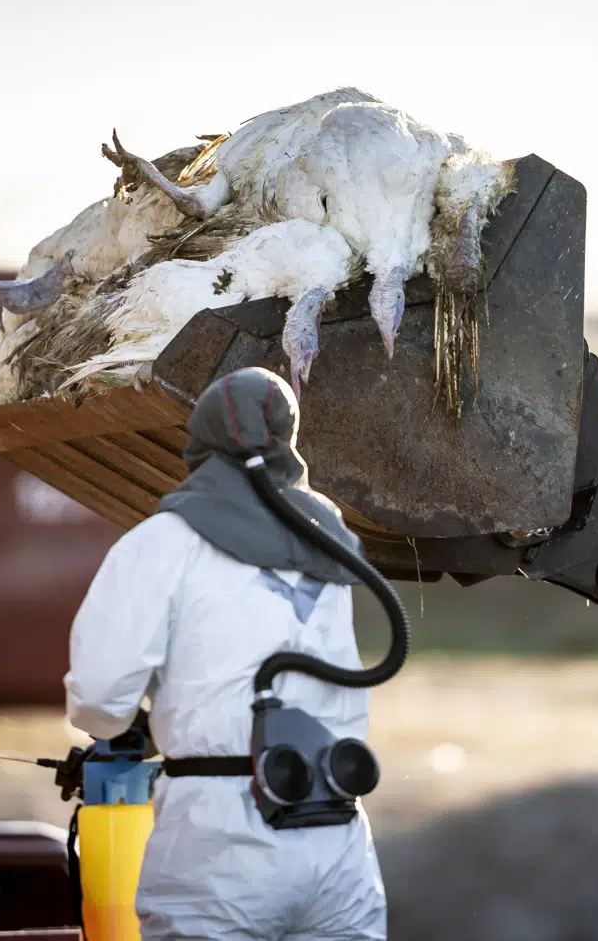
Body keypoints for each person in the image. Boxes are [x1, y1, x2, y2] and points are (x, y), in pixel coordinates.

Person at [64, 366, 387, 941]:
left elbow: (98, 696)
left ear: (200, 440)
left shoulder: (163, 542)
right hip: (338, 840)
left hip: (221, 843)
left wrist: (121, 726)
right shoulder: (330, 533)